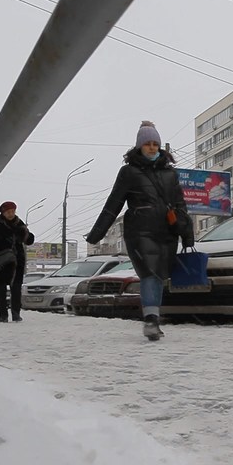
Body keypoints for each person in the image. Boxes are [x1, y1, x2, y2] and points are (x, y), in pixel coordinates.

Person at [85, 120, 194, 340]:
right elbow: (113, 203)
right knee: (150, 273)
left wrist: (186, 233)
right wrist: (96, 234)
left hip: (166, 231)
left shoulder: (170, 174)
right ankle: (151, 320)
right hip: (140, 231)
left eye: (155, 143)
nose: (152, 147)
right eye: (147, 143)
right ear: (139, 146)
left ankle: (153, 316)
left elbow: (180, 205)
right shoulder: (129, 172)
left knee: (160, 275)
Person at [0, 201, 35, 322]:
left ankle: (16, 313)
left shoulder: (19, 224)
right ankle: (3, 315)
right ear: (3, 213)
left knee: (16, 288)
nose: (11, 214)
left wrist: (27, 235)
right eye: (8, 212)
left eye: (13, 211)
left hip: (17, 261)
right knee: (1, 289)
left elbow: (28, 241)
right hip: (1, 262)